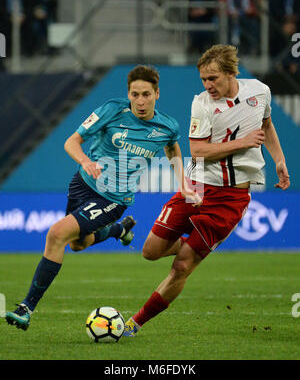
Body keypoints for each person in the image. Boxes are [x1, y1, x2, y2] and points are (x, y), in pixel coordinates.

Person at [6, 64, 199, 330]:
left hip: (113, 199)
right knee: (77, 244)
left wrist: (184, 184)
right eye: (135, 94)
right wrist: (86, 162)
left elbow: (172, 148)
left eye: (146, 94)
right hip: (82, 185)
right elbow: (71, 141)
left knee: (56, 234)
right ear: (128, 94)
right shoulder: (112, 110)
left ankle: (26, 308)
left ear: (157, 94)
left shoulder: (166, 127)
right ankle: (119, 231)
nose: (140, 101)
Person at [123, 44, 290, 337]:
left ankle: (133, 324)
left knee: (182, 265)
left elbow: (267, 124)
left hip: (231, 198)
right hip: (197, 188)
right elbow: (197, 151)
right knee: (150, 251)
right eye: (203, 79)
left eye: (213, 78)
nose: (207, 85)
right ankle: (191, 245)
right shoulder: (201, 103)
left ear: (230, 73)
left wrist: (279, 160)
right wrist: (244, 142)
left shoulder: (259, 91)